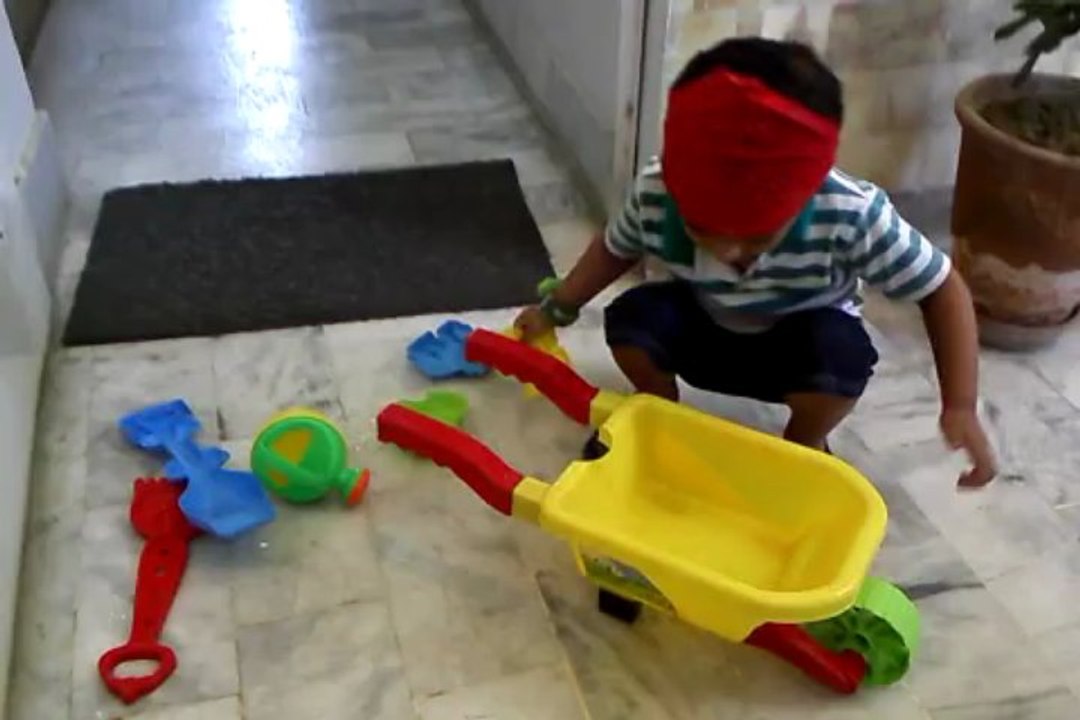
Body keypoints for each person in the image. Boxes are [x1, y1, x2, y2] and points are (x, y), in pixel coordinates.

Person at [515, 37, 996, 487]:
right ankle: (657, 414)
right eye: (702, 229)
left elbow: (941, 289)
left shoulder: (851, 213)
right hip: (703, 328)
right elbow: (613, 249)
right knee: (631, 321)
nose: (727, 253)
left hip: (799, 350)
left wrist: (960, 405)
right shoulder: (658, 191)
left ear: (806, 195)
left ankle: (804, 444)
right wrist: (557, 309)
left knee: (843, 357)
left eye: (758, 238)